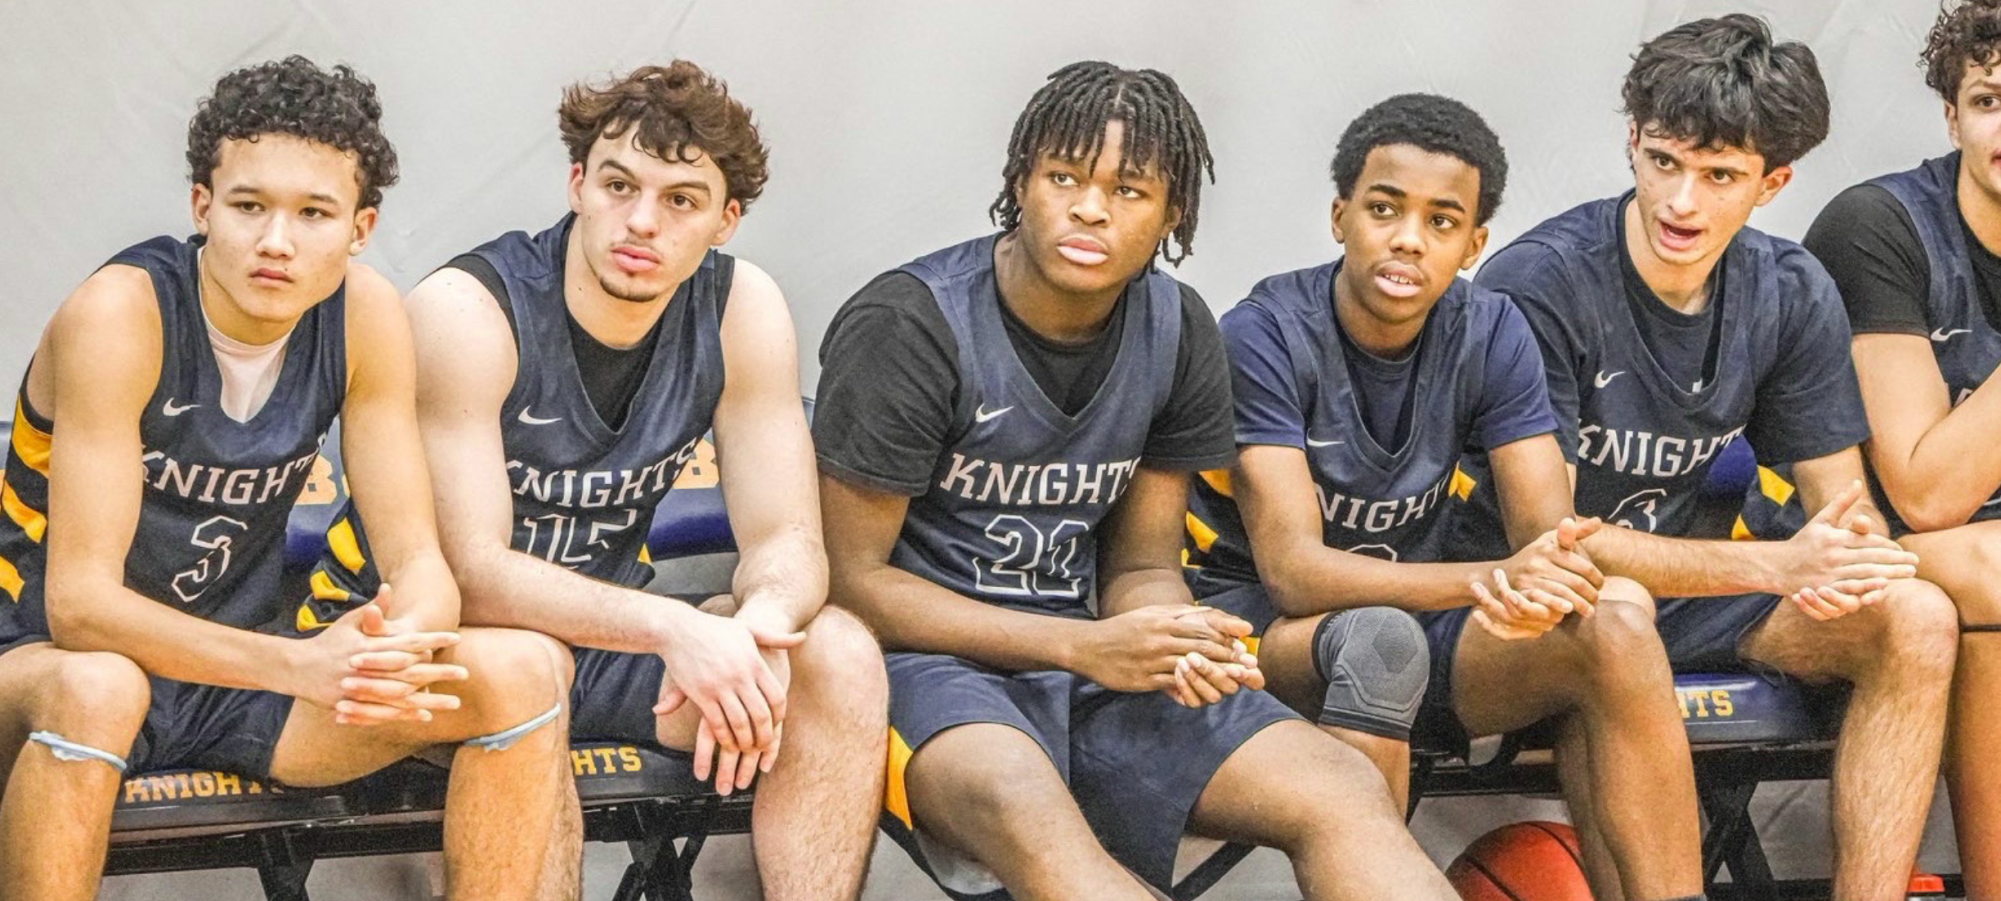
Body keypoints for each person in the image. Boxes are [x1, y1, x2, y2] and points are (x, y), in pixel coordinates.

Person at [815, 60, 1460, 901]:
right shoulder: (909, 323)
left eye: (1128, 189)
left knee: (1343, 792)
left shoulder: (1180, 325)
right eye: (1064, 177)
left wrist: (1173, 634)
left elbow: (1139, 565)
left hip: (1095, 663)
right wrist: (1081, 644)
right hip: (926, 668)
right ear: (1021, 182)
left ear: (1171, 213)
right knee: (1038, 821)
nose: (1090, 206)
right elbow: (854, 585)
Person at [300, 61, 888, 901]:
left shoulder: (742, 308)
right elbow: (470, 570)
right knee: (529, 666)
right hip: (419, 647)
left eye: (680, 199)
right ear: (577, 183)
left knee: (836, 654)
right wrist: (674, 630)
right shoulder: (469, 311)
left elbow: (789, 541)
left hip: (607, 645)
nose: (641, 221)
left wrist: (751, 631)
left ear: (725, 220)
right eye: (619, 185)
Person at [0, 56, 576, 900]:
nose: (277, 240)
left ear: (361, 226)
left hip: (239, 681)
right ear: (202, 207)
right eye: (248, 206)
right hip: (45, 663)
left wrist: (389, 645)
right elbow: (79, 606)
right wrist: (297, 665)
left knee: (523, 669)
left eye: (314, 213)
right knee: (101, 686)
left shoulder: (367, 314)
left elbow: (422, 566)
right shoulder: (118, 314)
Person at [1456, 16, 1961, 901]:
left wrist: (1843, 561)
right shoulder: (1538, 283)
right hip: (1531, 606)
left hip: (1692, 595)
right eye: (1663, 162)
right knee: (1607, 608)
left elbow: (1842, 510)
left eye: (1718, 175)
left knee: (1912, 613)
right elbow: (1551, 544)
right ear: (1632, 143)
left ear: (1772, 182)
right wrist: (1777, 561)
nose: (1680, 202)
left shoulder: (1788, 288)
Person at [1184, 91, 1707, 901]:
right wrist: (1496, 579)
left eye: (1439, 221)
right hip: (1254, 636)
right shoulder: (1262, 332)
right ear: (1339, 216)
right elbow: (1293, 573)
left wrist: (1550, 573)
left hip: (1417, 622)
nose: (1406, 238)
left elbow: (1545, 534)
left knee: (1615, 613)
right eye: (1384, 209)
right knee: (1377, 639)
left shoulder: (1492, 328)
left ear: (1473, 243)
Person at [1799, 1, 2001, 891]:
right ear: (1951, 115)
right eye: (1991, 99)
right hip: (1872, 545)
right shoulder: (1877, 228)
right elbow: (1924, 491)